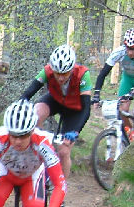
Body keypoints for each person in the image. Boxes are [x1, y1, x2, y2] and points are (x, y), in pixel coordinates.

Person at [20, 44, 92, 178]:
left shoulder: (83, 74)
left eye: (64, 73)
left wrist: (75, 131)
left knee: (64, 151)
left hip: (76, 109)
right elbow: (28, 93)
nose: (60, 78)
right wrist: (21, 103)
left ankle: (61, 189)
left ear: (71, 69)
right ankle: (38, 151)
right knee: (34, 116)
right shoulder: (47, 70)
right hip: (56, 101)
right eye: (57, 73)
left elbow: (86, 109)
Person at [92, 28, 134, 134]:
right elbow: (103, 74)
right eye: (128, 48)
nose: (129, 52)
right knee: (122, 108)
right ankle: (131, 135)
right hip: (128, 79)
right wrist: (97, 94)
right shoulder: (119, 52)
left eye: (133, 49)